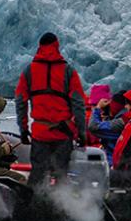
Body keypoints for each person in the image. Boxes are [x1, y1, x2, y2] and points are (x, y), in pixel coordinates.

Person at [15, 32, 87, 188]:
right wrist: (81, 131)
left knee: (38, 173)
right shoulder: (68, 71)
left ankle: (33, 206)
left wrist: (23, 129)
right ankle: (61, 207)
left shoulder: (29, 71)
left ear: (39, 46)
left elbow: (20, 101)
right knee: (61, 174)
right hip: (63, 132)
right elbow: (78, 103)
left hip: (40, 132)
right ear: (57, 46)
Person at [88, 86, 128, 166]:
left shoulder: (121, 122)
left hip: (114, 164)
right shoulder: (120, 118)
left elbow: (93, 127)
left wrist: (97, 109)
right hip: (112, 160)